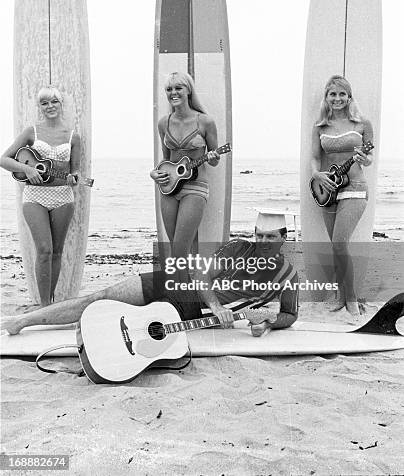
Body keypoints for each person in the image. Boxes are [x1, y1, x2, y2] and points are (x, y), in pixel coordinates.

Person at [2, 211, 298, 337]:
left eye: (270, 237)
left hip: (191, 314)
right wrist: (217, 306)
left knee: (118, 321)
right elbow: (200, 275)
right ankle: (24, 321)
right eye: (259, 235)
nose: (262, 242)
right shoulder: (238, 247)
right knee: (101, 298)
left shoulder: (288, 275)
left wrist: (268, 322)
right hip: (175, 284)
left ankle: (60, 324)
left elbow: (290, 315)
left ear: (284, 238)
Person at [0, 86, 80, 306]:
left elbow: (75, 172)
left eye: (54, 102)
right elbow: (4, 159)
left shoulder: (73, 137)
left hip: (63, 197)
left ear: (61, 104)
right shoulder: (31, 132)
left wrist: (74, 178)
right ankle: (44, 305)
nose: (50, 106)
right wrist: (28, 170)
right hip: (34, 197)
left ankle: (51, 302)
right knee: (44, 250)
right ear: (39, 107)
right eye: (44, 103)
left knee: (57, 252)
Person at [149, 71, 220, 319]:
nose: (173, 94)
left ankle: (185, 306)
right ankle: (184, 303)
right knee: (174, 249)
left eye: (178, 88)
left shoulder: (205, 122)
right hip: (168, 188)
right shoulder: (163, 123)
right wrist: (155, 173)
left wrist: (213, 157)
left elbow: (214, 161)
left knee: (180, 250)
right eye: (169, 90)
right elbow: (166, 160)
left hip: (195, 188)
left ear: (188, 90)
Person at [311, 74, 373, 317]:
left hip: (355, 187)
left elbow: (369, 158)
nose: (337, 99)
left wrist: (363, 158)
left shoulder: (362, 124)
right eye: (332, 94)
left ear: (349, 97)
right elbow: (315, 157)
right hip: (329, 190)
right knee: (335, 247)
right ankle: (338, 295)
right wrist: (316, 175)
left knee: (340, 243)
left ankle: (351, 298)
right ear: (326, 98)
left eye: (342, 94)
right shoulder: (320, 127)